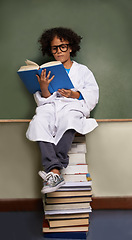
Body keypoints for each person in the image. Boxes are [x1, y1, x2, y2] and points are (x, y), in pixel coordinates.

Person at [26, 27, 99, 194]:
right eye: (54, 48)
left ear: (71, 47)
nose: (59, 51)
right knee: (39, 121)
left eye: (63, 47)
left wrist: (74, 94)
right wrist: (44, 87)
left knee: (69, 119)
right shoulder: (47, 71)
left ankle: (53, 170)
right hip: (51, 106)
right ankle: (56, 172)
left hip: (72, 105)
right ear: (49, 49)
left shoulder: (82, 71)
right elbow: (43, 100)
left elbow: (93, 94)